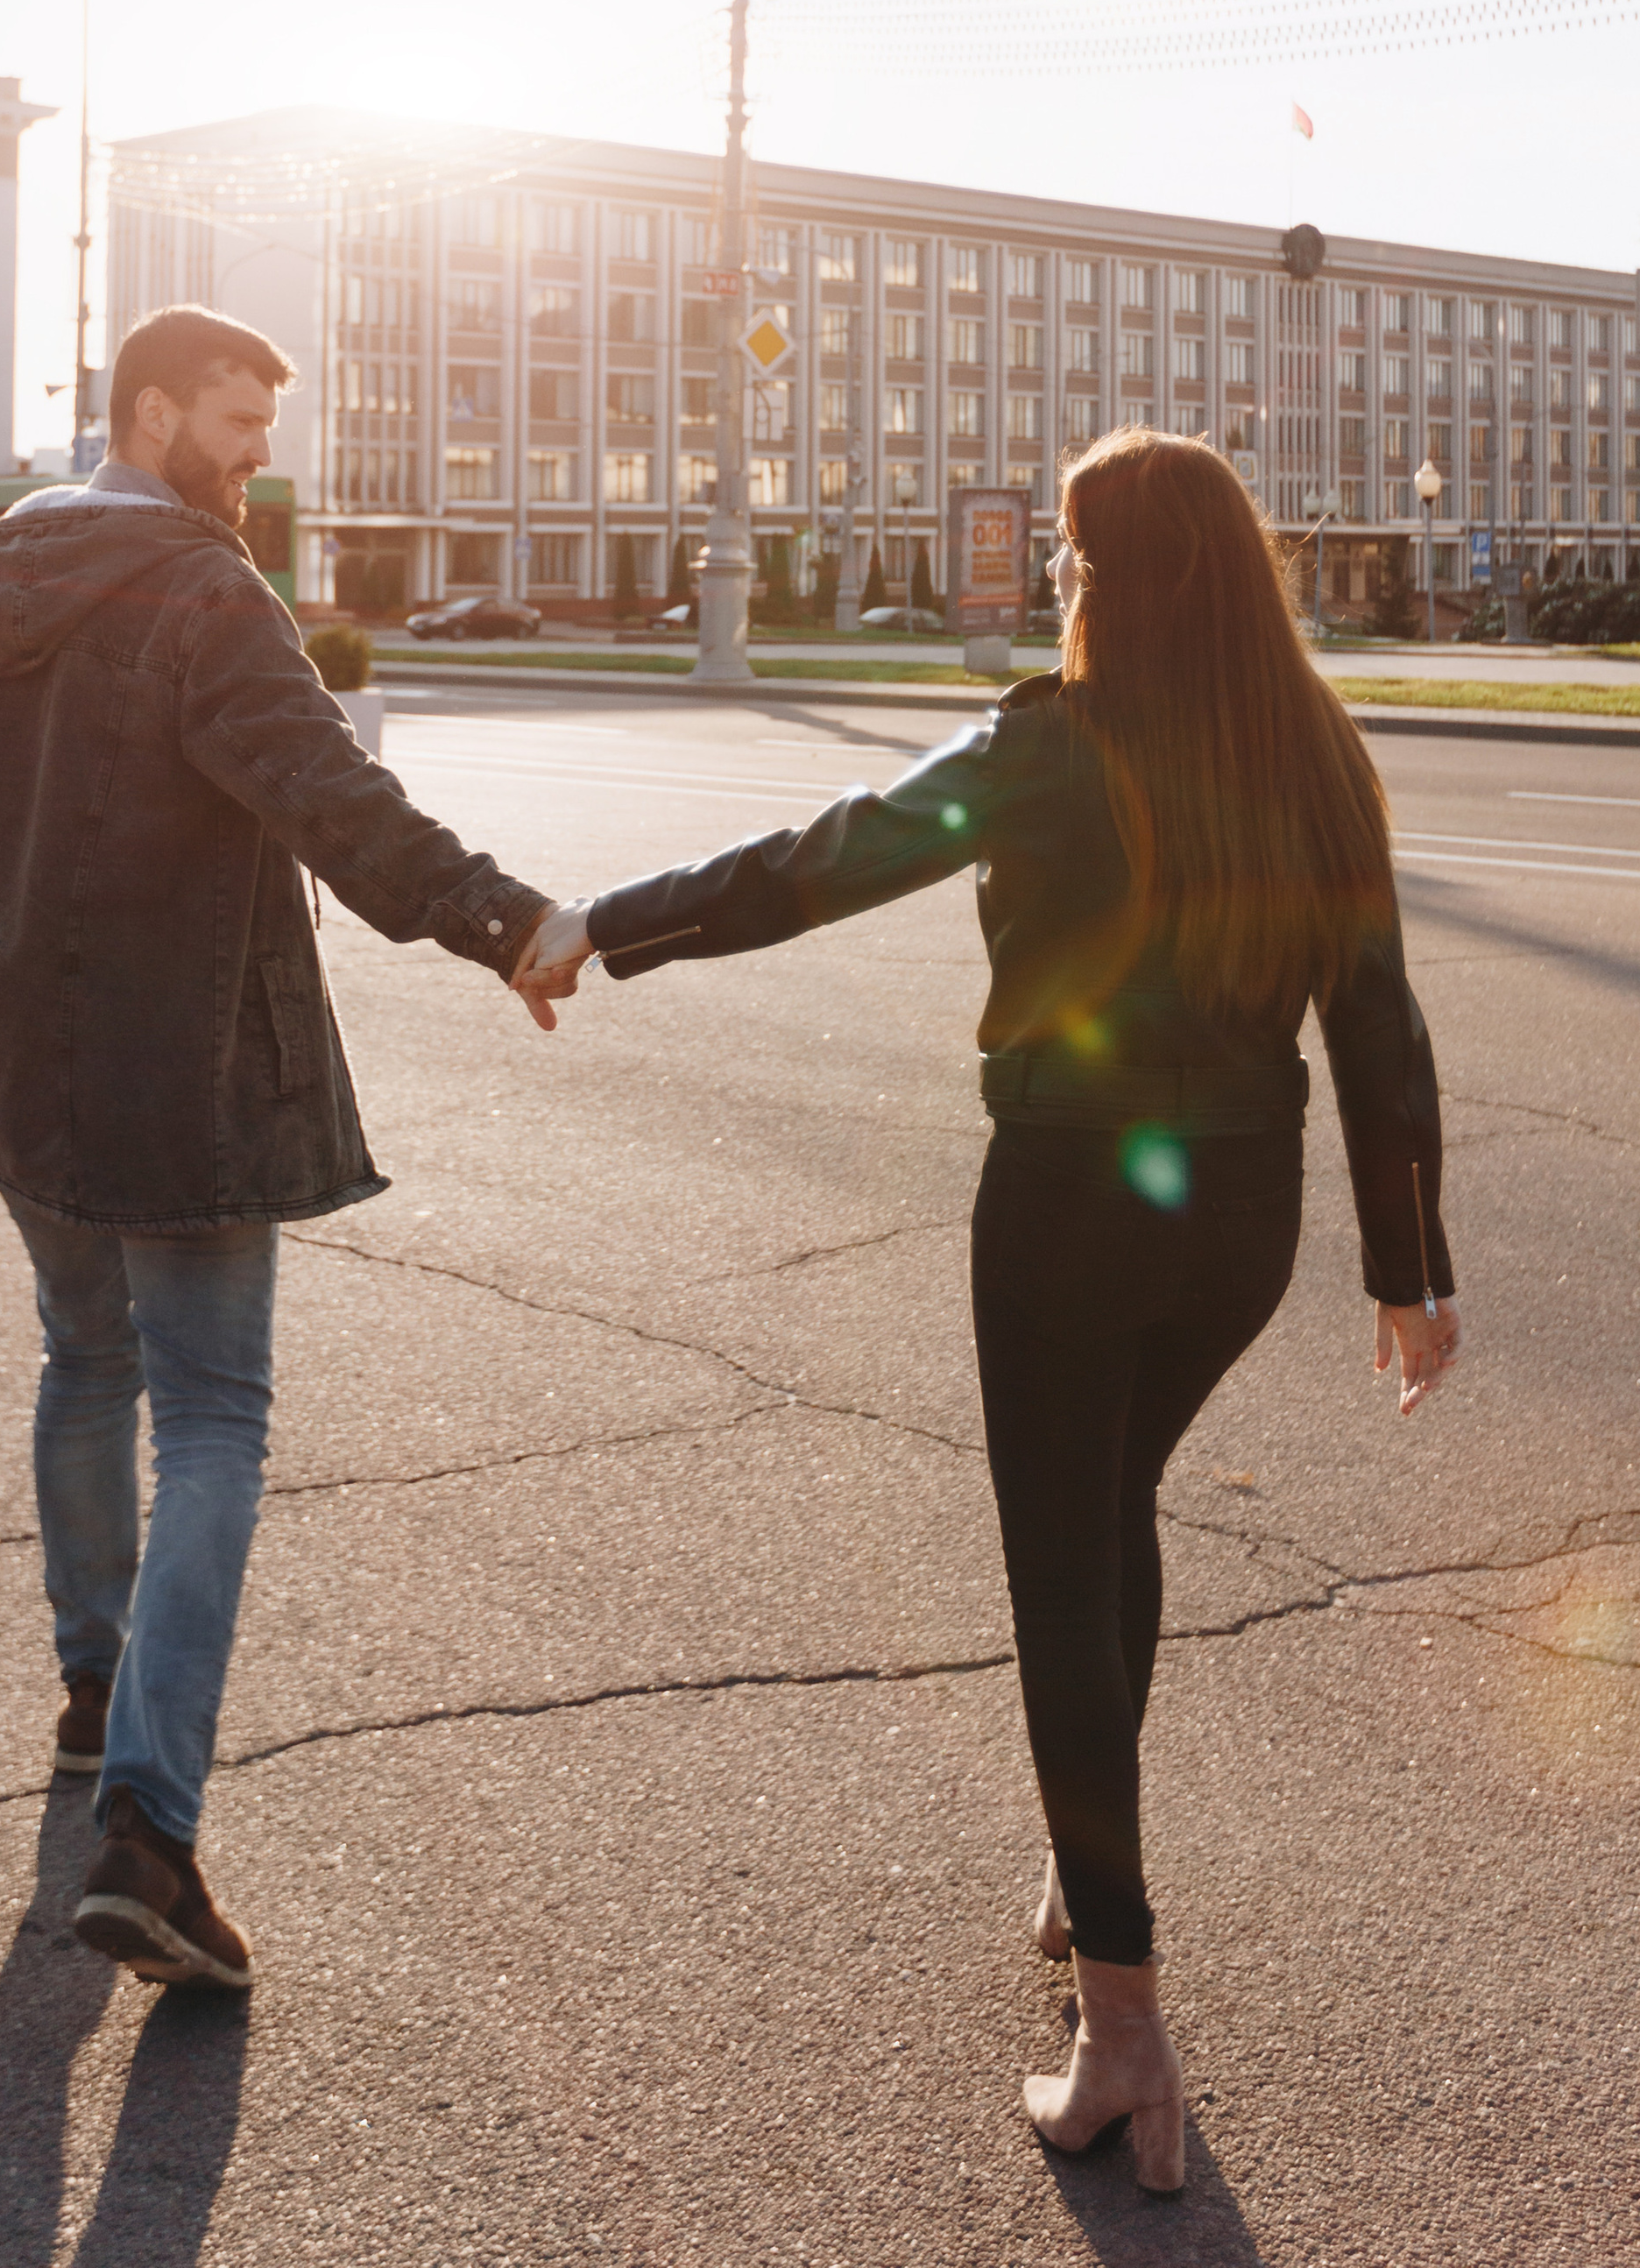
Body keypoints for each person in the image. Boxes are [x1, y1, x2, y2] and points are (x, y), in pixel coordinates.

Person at [516, 428, 1462, 2194]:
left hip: (1068, 1205)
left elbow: (821, 860)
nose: (1053, 577)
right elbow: (1379, 1024)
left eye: (1068, 553)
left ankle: (1119, 2030)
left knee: (1058, 1570)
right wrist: (1404, 1268)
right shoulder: (1311, 746)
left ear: (1110, 575)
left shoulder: (1049, 750)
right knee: (1110, 1517)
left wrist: (596, 921)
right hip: (1237, 1217)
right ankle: (1077, 1852)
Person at [0, 307, 567, 1991]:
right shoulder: (197, 591)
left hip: (22, 1063)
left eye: (263, 425)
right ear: (147, 410)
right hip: (186, 1073)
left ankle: (99, 1690)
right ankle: (151, 1837)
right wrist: (511, 921)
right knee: (215, 1416)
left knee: (84, 1364)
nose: (255, 455)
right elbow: (334, 800)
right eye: (234, 421)